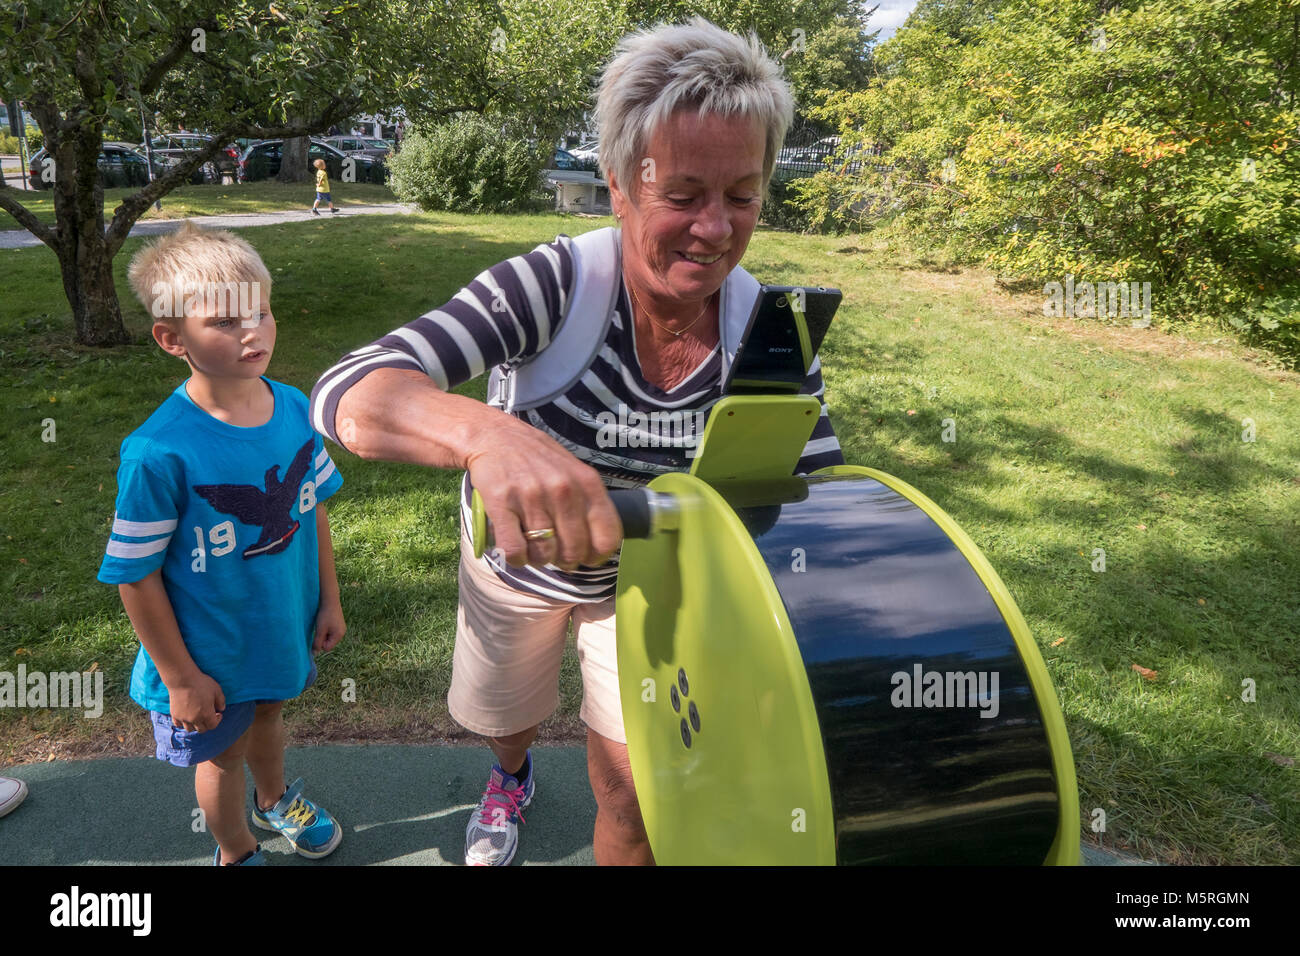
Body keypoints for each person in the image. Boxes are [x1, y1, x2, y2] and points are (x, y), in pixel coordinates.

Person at [310, 17, 843, 866]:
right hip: (515, 568)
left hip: (652, 589)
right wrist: (485, 436)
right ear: (620, 185)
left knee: (631, 794)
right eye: (683, 196)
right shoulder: (555, 283)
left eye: (741, 196)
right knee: (506, 717)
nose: (714, 231)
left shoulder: (772, 327)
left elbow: (820, 497)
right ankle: (510, 773)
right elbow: (349, 391)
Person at [98, 222, 347, 866]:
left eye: (260, 311)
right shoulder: (158, 452)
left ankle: (274, 801)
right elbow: (135, 573)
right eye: (225, 322)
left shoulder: (294, 408)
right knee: (223, 756)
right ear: (172, 339)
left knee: (269, 718)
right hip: (205, 653)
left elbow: (311, 508)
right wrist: (181, 676)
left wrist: (329, 600)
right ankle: (235, 850)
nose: (252, 331)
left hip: (275, 626)